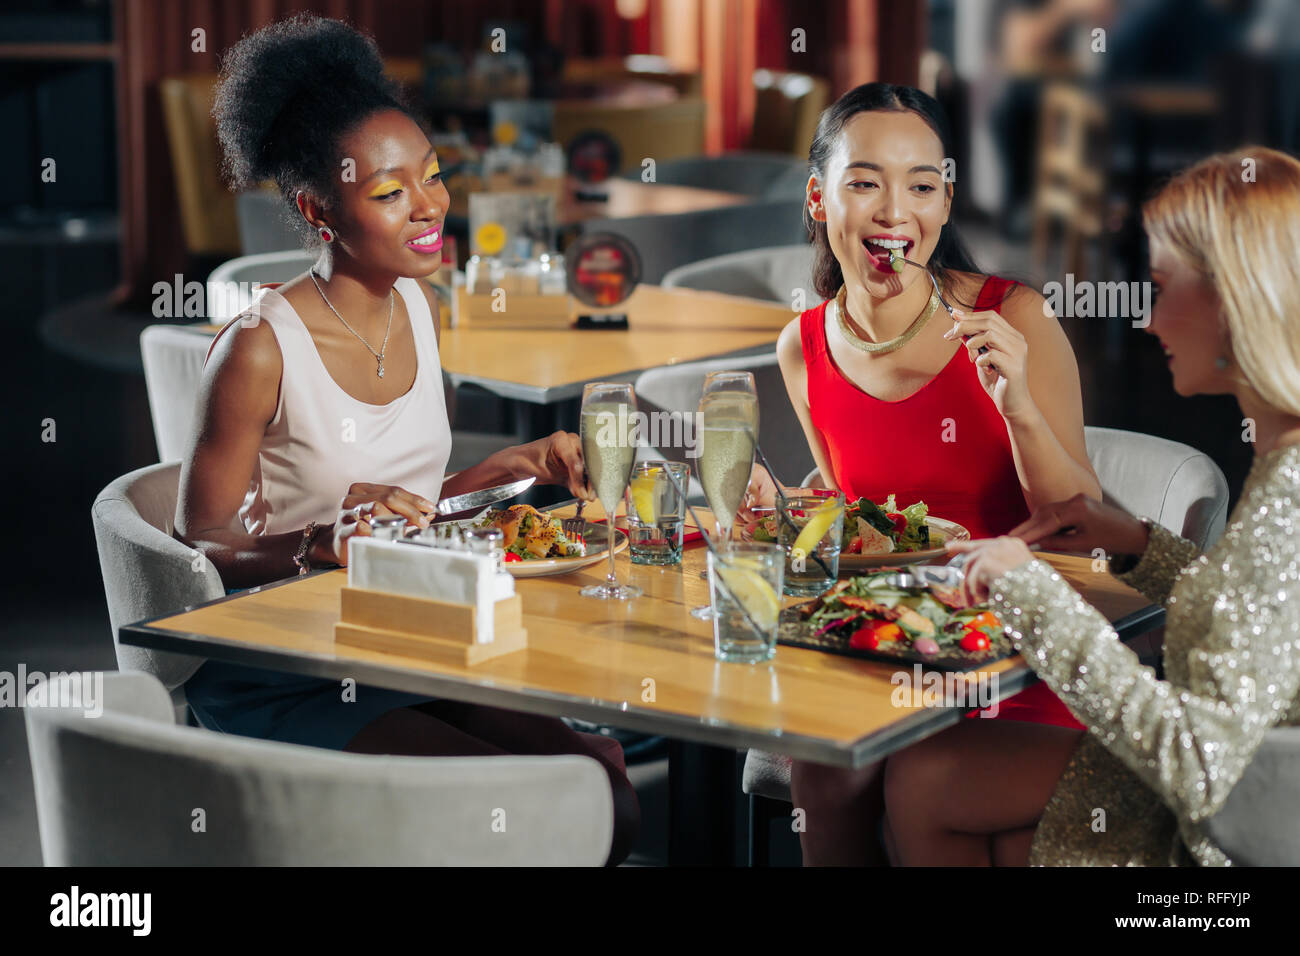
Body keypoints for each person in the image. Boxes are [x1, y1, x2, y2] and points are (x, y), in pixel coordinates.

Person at [173, 15, 637, 864]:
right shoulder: (258, 345)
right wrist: (321, 543)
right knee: (541, 810)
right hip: (287, 668)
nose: (427, 209)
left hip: (404, 637)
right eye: (389, 195)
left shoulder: (421, 308)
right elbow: (199, 544)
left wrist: (507, 472)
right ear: (318, 209)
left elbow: (404, 508)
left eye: (432, 177)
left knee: (601, 778)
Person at [883, 146, 1300, 866]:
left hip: (1225, 832)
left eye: (1163, 288)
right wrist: (1138, 542)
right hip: (1230, 785)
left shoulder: (1289, 493)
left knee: (940, 792)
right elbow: (1256, 616)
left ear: (1237, 301)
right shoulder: (1280, 458)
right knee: (928, 781)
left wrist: (1030, 592)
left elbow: (1205, 767)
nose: (1146, 321)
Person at [743, 82, 1102, 865]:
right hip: (890, 638)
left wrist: (1021, 416)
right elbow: (857, 514)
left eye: (922, 186)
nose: (893, 212)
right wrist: (788, 512)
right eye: (864, 182)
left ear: (945, 205)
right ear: (818, 198)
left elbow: (1082, 523)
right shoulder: (801, 346)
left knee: (922, 782)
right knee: (826, 775)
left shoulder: (1018, 319)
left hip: (1020, 643)